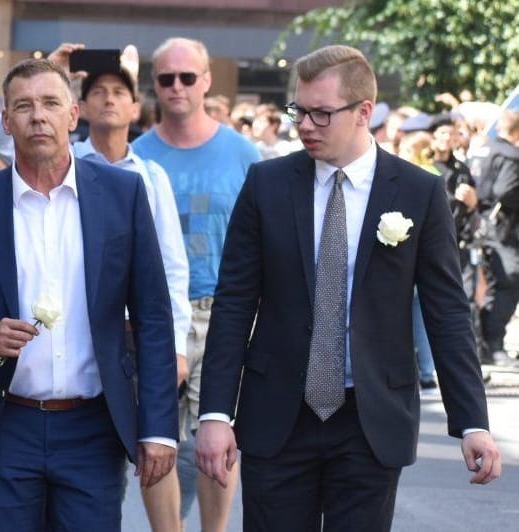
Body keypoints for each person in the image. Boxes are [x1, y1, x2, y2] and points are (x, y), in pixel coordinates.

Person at [194, 45, 501, 532]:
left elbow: (446, 313)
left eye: (321, 113)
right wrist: (214, 412)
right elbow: (234, 303)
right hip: (277, 415)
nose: (306, 125)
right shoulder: (266, 184)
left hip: (371, 419)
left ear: (362, 113)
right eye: (300, 110)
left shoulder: (419, 192)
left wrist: (473, 422)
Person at [0, 58, 178, 531]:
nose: (38, 116)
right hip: (3, 423)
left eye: (51, 103)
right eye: (24, 105)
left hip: (92, 426)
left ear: (73, 115)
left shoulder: (124, 194)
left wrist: (159, 426)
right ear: (5, 120)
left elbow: (154, 317)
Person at [131, 36, 260, 532]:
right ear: (155, 84)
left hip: (223, 313)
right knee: (156, 440)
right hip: (156, 316)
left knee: (219, 437)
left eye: (188, 77)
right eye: (167, 78)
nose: (178, 86)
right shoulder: (137, 155)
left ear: (207, 81)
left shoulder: (243, 153)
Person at [73, 63, 191, 531]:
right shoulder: (67, 164)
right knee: (96, 452)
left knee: (156, 444)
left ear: (135, 107)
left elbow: (172, 268)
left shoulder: (151, 175)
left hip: (141, 335)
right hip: (88, 333)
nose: (108, 99)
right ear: (79, 108)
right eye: (97, 91)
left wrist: (177, 344)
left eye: (118, 92)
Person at [471, 110, 519, 367]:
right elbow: (505, 191)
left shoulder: (482, 151)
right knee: (510, 280)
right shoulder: (511, 155)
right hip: (501, 229)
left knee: (492, 282)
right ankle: (494, 344)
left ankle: (487, 343)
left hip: (479, 224)